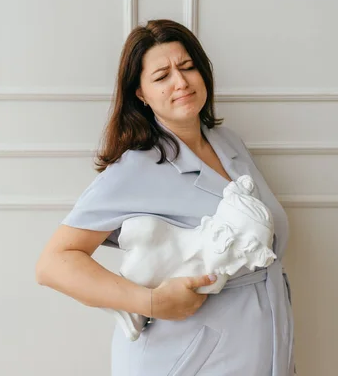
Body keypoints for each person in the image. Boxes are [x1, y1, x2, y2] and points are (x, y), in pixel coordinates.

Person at [35, 19, 295, 376]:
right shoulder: (135, 169)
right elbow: (53, 263)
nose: (181, 82)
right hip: (183, 359)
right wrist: (152, 301)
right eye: (162, 76)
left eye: (188, 68)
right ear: (140, 93)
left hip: (263, 350)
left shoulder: (230, 144)